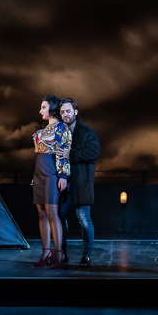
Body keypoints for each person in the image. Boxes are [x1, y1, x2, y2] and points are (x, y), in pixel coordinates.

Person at [58, 98, 100, 267]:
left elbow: (93, 152)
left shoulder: (86, 132)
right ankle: (63, 254)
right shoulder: (60, 132)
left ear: (75, 112)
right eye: (62, 112)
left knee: (84, 220)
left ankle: (87, 255)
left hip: (81, 184)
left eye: (68, 111)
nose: (65, 114)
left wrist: (70, 154)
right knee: (59, 218)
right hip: (63, 184)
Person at [31, 95, 71, 267]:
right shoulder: (40, 131)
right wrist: (34, 177)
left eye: (43, 107)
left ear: (52, 109)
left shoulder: (62, 128)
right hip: (38, 173)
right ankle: (46, 252)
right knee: (41, 213)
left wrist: (63, 176)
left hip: (52, 173)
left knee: (52, 213)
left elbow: (64, 153)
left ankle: (59, 254)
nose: (40, 110)